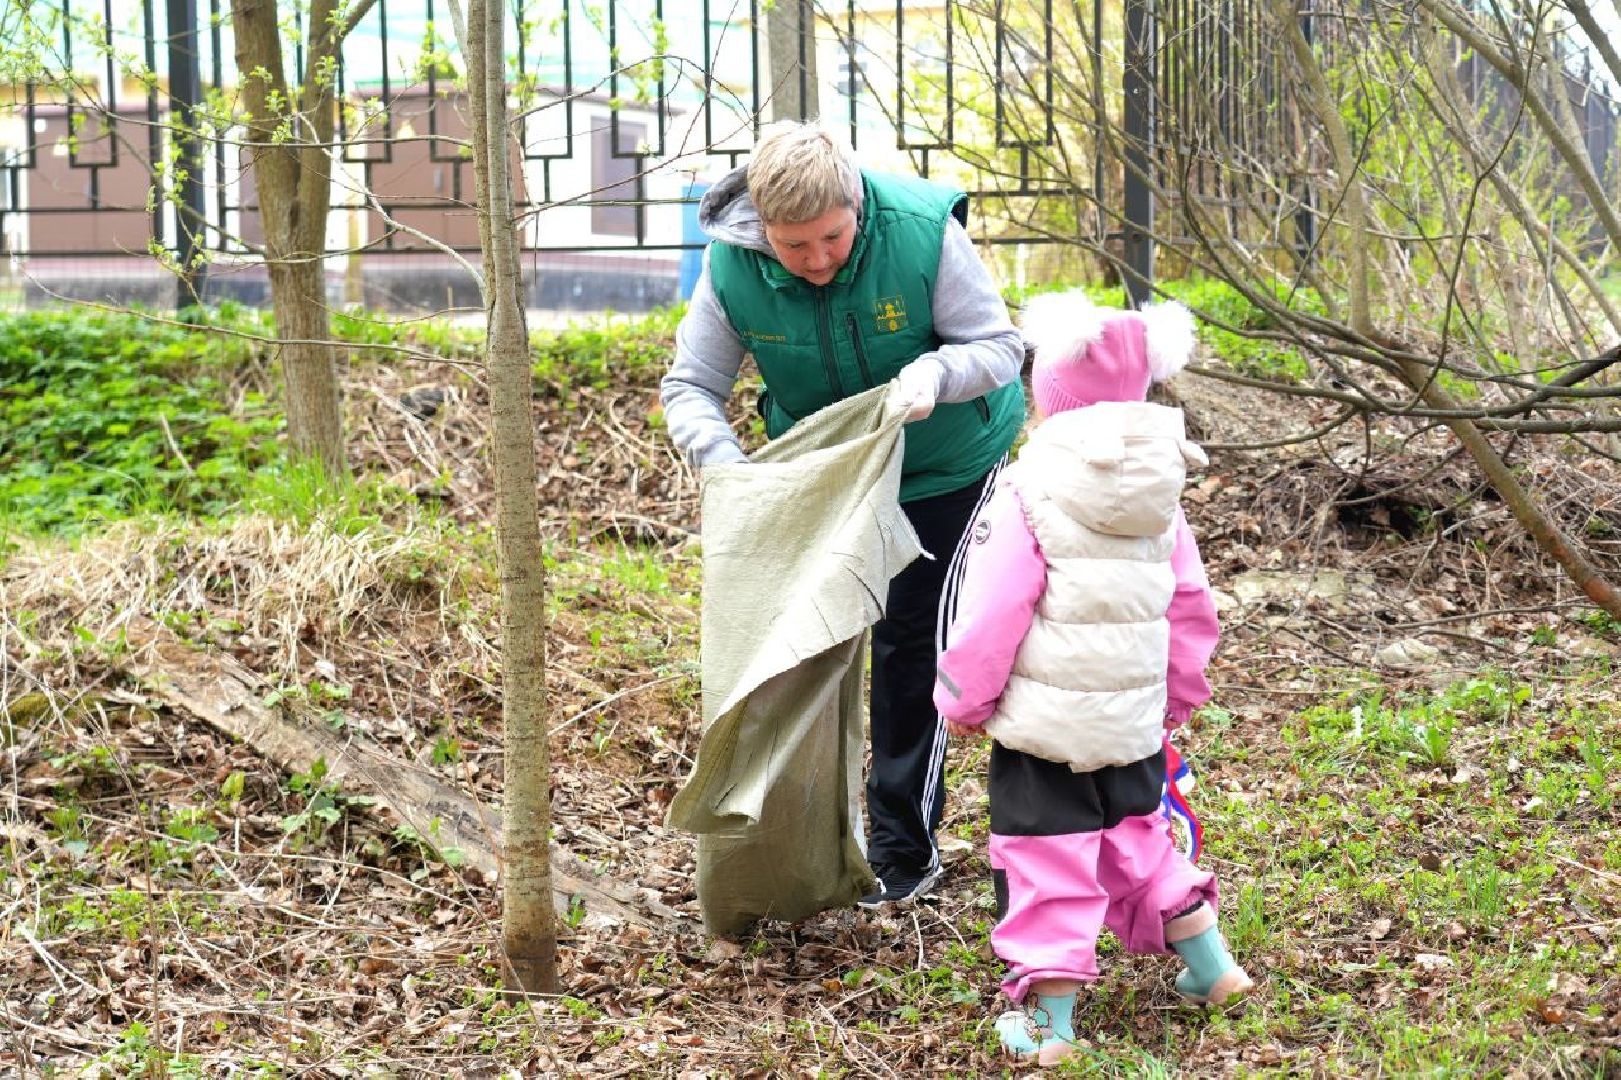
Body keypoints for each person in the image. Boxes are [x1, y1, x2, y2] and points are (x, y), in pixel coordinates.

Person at [659, 120, 1025, 907]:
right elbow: (690, 386)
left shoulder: (922, 233)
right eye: (795, 247)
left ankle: (902, 852)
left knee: (906, 649)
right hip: (819, 476)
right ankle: (797, 847)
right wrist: (725, 468)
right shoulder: (732, 266)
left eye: (831, 237)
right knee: (803, 647)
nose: (817, 260)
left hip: (944, 464)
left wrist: (935, 372)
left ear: (854, 202)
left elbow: (998, 347)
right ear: (761, 227)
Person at [933, 289, 1251, 1064]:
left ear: (1048, 396)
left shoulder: (1027, 487)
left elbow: (995, 606)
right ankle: (1211, 969)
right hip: (1132, 724)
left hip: (1045, 731)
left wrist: (964, 696)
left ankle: (1051, 1027)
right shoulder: (1161, 492)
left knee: (1047, 861)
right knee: (1138, 841)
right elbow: (1191, 605)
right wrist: (1176, 696)